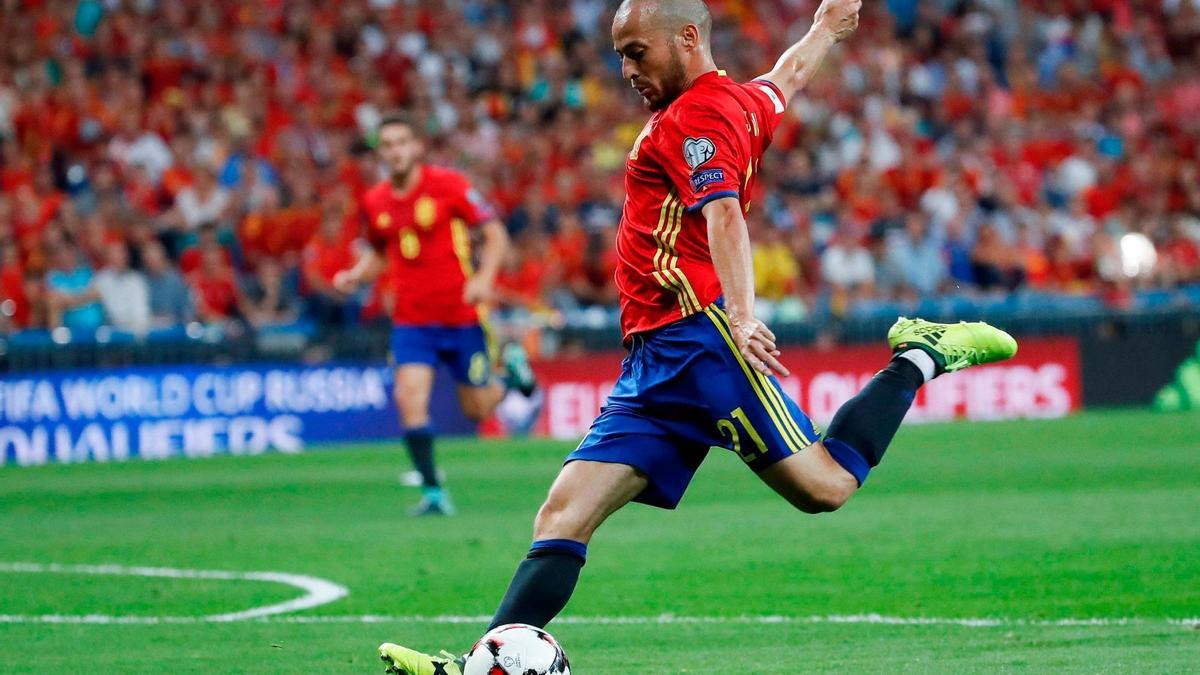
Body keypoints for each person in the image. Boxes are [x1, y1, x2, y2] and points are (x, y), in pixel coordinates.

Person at [378, 1, 1017, 671]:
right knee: (561, 514)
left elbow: (724, 217)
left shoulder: (698, 117)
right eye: (621, 53)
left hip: (703, 344)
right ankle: (477, 664)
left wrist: (741, 316)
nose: (625, 68)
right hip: (654, 359)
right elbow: (786, 78)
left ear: (687, 37)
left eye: (635, 52)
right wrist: (826, 27)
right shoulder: (736, 102)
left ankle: (919, 354)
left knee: (825, 486)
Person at [334, 114, 540, 517]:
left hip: (462, 317)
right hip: (412, 322)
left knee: (477, 410)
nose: (395, 151)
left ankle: (510, 375)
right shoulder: (374, 202)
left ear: (416, 148)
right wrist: (355, 275)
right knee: (410, 399)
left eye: (401, 142)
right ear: (382, 154)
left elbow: (494, 232)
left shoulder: (449, 186)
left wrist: (484, 277)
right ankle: (433, 493)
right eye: (387, 145)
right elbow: (378, 253)